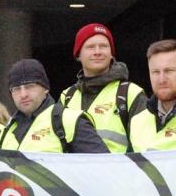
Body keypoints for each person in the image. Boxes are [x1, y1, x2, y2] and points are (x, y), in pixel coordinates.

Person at [60, 23, 146, 153]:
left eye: (104, 46)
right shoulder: (67, 96)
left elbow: (143, 148)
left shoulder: (131, 93)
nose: (97, 52)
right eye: (90, 47)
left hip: (119, 172)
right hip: (74, 173)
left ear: (111, 53)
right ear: (78, 55)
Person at [0, 58, 108, 153]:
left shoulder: (68, 121)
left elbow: (103, 167)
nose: (23, 94)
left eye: (30, 86)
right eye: (16, 89)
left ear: (46, 88)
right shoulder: (6, 132)